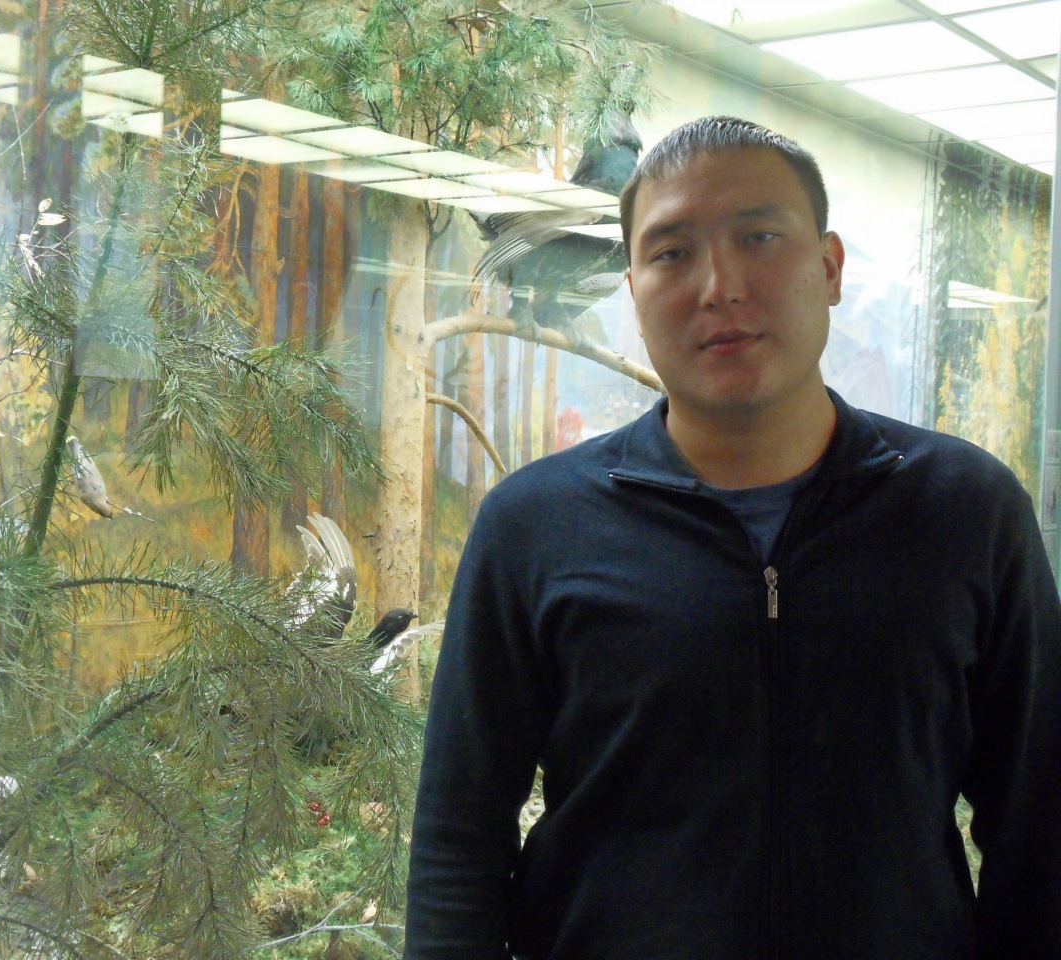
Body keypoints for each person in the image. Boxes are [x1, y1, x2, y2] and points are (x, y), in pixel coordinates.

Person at [404, 116, 1061, 959]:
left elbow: (1039, 827)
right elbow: (459, 842)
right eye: (672, 252)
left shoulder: (965, 512)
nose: (719, 286)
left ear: (829, 268)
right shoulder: (535, 527)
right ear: (633, 289)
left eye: (759, 237)